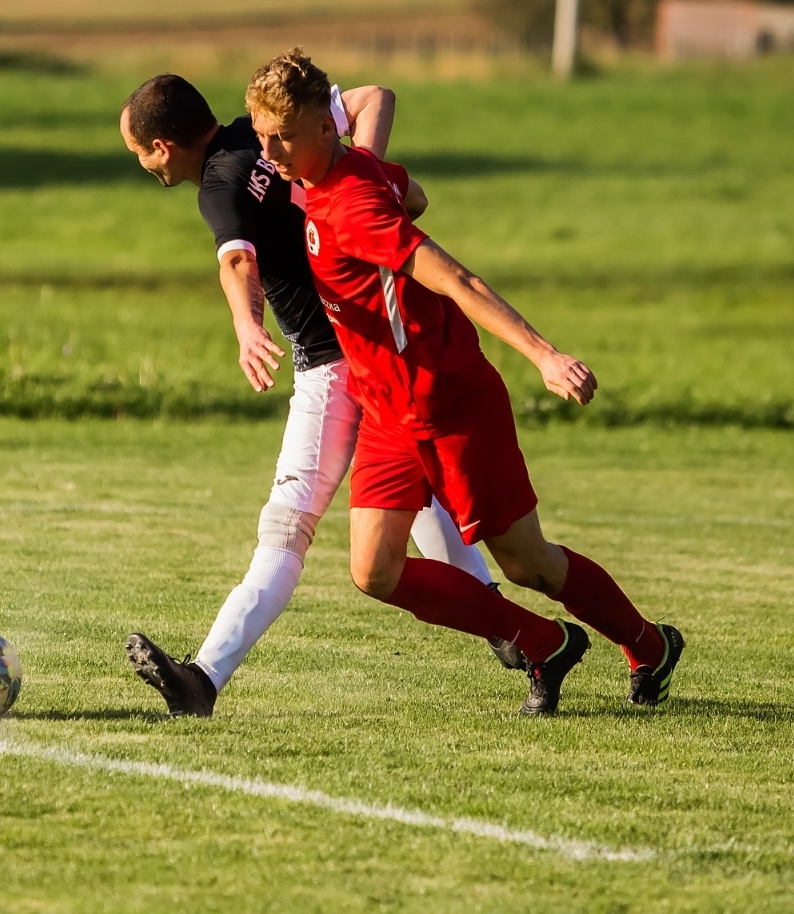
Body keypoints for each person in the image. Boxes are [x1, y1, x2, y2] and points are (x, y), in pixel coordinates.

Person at [244, 48, 684, 714]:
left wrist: (544, 355)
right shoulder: (347, 174)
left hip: (450, 402)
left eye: (282, 135)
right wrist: (385, 192)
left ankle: (651, 646)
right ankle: (544, 643)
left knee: (526, 562)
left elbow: (457, 279)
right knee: (374, 571)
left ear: (324, 129)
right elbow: (413, 191)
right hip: (389, 411)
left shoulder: (354, 204)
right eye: (261, 134)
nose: (269, 149)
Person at [117, 73, 513, 718]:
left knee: (290, 525)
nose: (141, 164)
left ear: (163, 147)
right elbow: (372, 97)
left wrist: (247, 326)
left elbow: (238, 261)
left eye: (137, 152)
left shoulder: (219, 185)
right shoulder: (265, 131)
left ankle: (204, 680)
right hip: (386, 349)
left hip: (333, 366)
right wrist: (370, 171)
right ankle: (513, 632)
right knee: (420, 502)